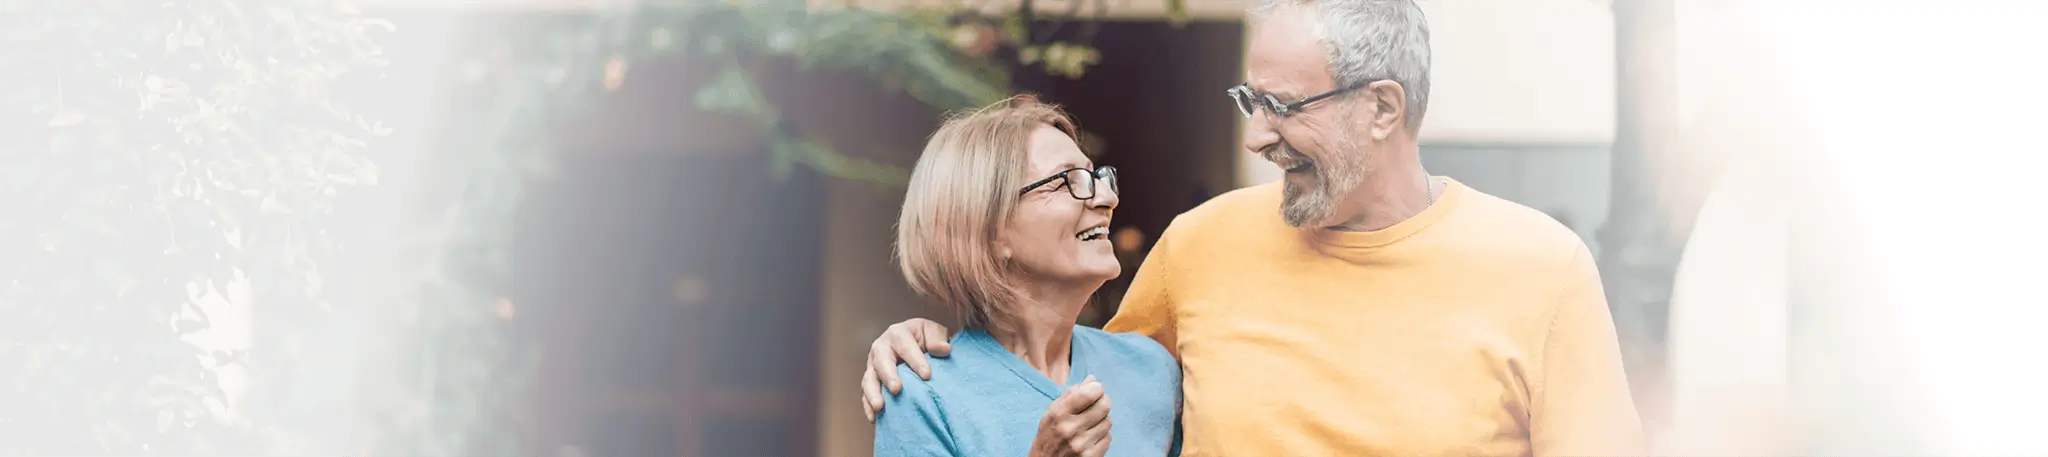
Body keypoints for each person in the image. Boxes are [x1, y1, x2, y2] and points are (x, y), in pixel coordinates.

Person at [858, 1, 1644, 455]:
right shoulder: (1200, 245)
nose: (1256, 138)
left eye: (1282, 107)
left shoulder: (1542, 267)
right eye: (1249, 101)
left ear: (1381, 109)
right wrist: (930, 338)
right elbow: (1040, 366)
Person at [873, 95, 1181, 457]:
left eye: (1097, 176)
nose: (1106, 197)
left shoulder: (1152, 369)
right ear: (988, 230)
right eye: (1069, 181)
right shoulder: (923, 396)